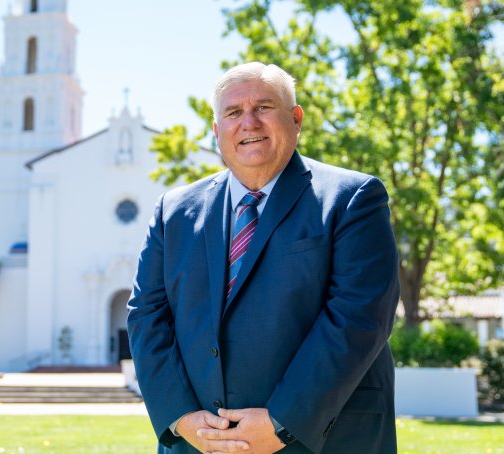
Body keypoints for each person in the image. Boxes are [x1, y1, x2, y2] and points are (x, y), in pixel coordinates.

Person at [127, 62, 399, 453]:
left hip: (322, 438)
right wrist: (181, 416)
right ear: (218, 131)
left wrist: (283, 422)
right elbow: (146, 315)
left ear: (296, 118)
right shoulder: (174, 211)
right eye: (234, 113)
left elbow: (358, 317)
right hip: (199, 442)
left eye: (264, 107)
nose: (249, 122)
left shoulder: (353, 199)